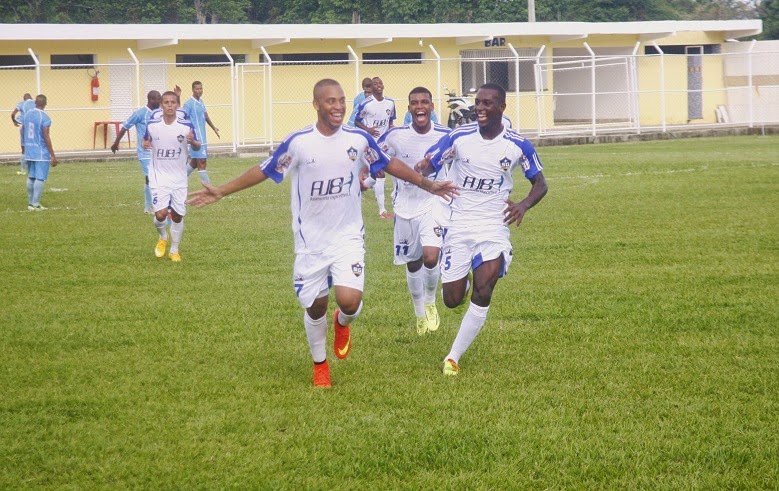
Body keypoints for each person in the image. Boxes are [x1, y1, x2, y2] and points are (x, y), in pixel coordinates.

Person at [188, 79, 458, 388]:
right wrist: (221, 190)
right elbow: (264, 170)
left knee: (349, 302)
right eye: (331, 101)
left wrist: (430, 184)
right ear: (317, 104)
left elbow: (391, 164)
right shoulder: (300, 143)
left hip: (348, 237)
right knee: (315, 305)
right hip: (311, 242)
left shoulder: (358, 140)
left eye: (342, 100)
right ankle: (320, 365)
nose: (339, 106)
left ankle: (342, 324)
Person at [420, 83, 547, 377]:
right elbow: (430, 163)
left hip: (494, 225)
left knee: (485, 288)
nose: (480, 108)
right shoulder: (459, 137)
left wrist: (524, 205)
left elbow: (540, 184)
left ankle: (453, 357)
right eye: (478, 103)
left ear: (502, 108)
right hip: (460, 224)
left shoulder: (517, 145)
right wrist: (422, 170)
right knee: (452, 300)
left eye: (488, 103)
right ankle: (459, 284)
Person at [377, 87, 451, 335]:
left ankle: (430, 303)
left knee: (431, 256)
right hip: (405, 206)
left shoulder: (446, 135)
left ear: (431, 106)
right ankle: (419, 313)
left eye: (425, 102)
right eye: (414, 103)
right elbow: (376, 158)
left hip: (435, 202)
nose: (420, 106)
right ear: (409, 108)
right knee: (413, 262)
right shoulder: (395, 136)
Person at [143, 91, 200, 263]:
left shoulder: (186, 125)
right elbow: (145, 141)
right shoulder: (153, 124)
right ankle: (163, 236)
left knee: (177, 216)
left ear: (177, 105)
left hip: (179, 176)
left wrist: (193, 142)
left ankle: (174, 250)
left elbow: (197, 145)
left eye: (173, 102)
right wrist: (144, 144)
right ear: (161, 104)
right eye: (166, 102)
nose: (169, 105)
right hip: (158, 175)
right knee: (160, 215)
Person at [111, 90, 162, 214]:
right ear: (151, 100)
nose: (160, 101)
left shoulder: (159, 113)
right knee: (151, 177)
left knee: (153, 178)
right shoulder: (140, 113)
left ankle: (149, 206)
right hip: (145, 153)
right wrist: (116, 142)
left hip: (157, 152)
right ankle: (150, 206)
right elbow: (125, 127)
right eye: (158, 99)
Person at [355, 76, 396, 218]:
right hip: (370, 143)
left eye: (380, 83)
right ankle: (382, 211)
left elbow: (391, 121)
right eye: (375, 84)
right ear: (371, 88)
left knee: (395, 168)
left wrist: (391, 130)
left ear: (383, 86)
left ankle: (359, 188)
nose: (378, 85)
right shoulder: (365, 104)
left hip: (385, 143)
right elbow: (357, 121)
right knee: (380, 173)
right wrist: (369, 130)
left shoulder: (390, 103)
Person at [22, 94, 57, 211]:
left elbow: (23, 129)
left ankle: (30, 203)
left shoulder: (27, 115)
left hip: (29, 150)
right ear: (45, 104)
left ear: (35, 103)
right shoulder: (45, 117)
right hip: (40, 151)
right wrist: (52, 154)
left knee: (31, 176)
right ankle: (36, 204)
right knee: (40, 177)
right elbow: (46, 135)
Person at [182, 81, 219, 184]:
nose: (199, 91)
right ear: (192, 89)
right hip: (196, 138)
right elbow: (182, 118)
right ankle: (209, 188)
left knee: (194, 162)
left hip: (203, 137)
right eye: (197, 89)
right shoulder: (189, 104)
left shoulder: (201, 101)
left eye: (200, 88)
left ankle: (177, 179)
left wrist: (214, 128)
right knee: (202, 162)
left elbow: (206, 116)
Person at [11, 93, 35, 175]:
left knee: (24, 148)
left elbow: (13, 114)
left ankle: (23, 170)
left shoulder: (21, 103)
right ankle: (33, 169)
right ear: (31, 98)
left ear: (24, 99)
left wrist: (14, 121)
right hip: (34, 127)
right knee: (34, 146)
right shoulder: (35, 103)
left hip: (24, 127)